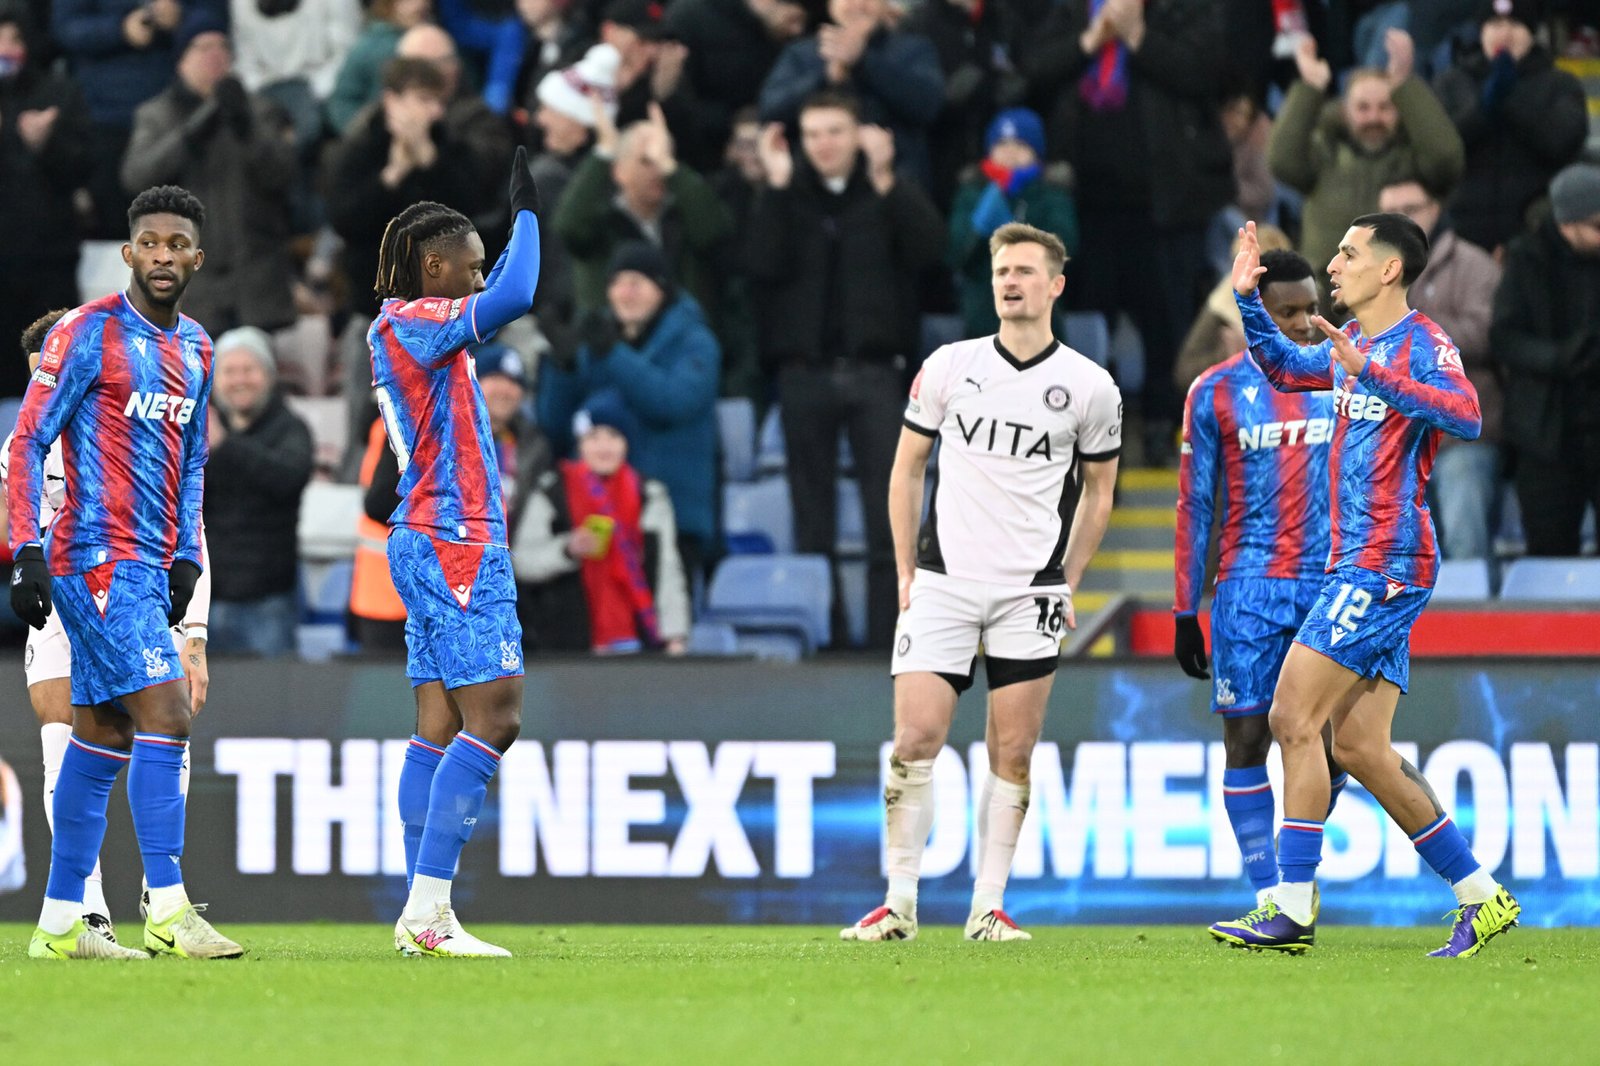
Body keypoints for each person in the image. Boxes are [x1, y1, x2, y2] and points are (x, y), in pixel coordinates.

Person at [1210, 216, 1519, 957]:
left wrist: (1373, 372)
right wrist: (1249, 299)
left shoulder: (1420, 342)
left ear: (1388, 270)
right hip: (1362, 563)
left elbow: (1468, 414)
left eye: (1348, 253)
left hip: (1384, 562)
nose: (1334, 263)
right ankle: (1483, 897)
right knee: (1359, 748)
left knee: (1292, 715)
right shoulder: (1357, 349)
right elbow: (1284, 368)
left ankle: (1291, 905)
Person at [841, 222, 1121, 942]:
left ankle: (986, 908)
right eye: (1002, 271)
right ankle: (898, 903)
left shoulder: (1090, 386)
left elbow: (1099, 491)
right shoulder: (948, 366)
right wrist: (907, 567)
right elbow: (906, 469)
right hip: (944, 580)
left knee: (1015, 750)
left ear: (1056, 285)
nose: (1010, 282)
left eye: (1026, 271)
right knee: (914, 737)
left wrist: (1069, 577)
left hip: (1029, 590)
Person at [9, 184, 241, 960]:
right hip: (93, 558)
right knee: (167, 714)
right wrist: (25, 550)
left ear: (197, 258)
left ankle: (59, 923)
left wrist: (184, 556)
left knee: (102, 735)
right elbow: (26, 443)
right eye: (151, 243)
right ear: (129, 251)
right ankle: (170, 908)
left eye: (178, 245)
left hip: (149, 565)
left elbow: (193, 463)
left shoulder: (200, 348)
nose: (164, 256)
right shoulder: (85, 333)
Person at [367, 148, 542, 957]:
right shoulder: (412, 321)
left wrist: (502, 238)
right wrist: (529, 216)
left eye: (479, 269)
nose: (478, 284)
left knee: (437, 723)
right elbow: (519, 292)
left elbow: (497, 286)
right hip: (454, 538)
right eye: (466, 270)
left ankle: (420, 913)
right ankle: (429, 913)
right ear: (431, 266)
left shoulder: (415, 328)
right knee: (495, 716)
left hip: (431, 536)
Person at [1172, 249, 1350, 910]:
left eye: (1312, 308)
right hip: (1248, 587)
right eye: (1288, 312)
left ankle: (1295, 871)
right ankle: (1272, 892)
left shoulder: (1343, 377)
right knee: (1247, 738)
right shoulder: (1214, 390)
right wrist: (1184, 608)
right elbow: (1194, 504)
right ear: (1257, 315)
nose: (1305, 323)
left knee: (1334, 753)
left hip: (1332, 582)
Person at [746, 91, 944, 648]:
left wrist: (889, 182)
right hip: (803, 376)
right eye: (812, 134)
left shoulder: (884, 193)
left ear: (859, 135)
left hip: (878, 374)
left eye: (835, 131)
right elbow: (758, 263)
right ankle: (825, 641)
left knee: (890, 519)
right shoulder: (789, 198)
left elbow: (933, 254)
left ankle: (889, 641)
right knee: (813, 522)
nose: (823, 145)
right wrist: (779, 188)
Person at [1018, 0, 1234, 465]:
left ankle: (1162, 425)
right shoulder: (1070, 11)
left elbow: (1209, 74)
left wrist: (1140, 38)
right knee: (1088, 324)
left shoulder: (1180, 11)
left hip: (1165, 205)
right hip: (1082, 206)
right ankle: (1093, 435)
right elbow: (1031, 72)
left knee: (1167, 321)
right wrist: (1087, 44)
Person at [538, 240, 721, 584]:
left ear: (663, 289)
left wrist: (613, 353)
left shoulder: (695, 342)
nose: (625, 293)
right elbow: (556, 427)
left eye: (637, 283)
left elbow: (671, 403)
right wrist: (561, 367)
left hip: (672, 519)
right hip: (598, 519)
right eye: (617, 283)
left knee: (660, 632)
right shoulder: (597, 341)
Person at [121, 19, 300, 336]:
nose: (216, 55)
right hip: (190, 284)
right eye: (204, 47)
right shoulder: (157, 115)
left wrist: (246, 127)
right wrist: (192, 131)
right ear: (181, 60)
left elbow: (282, 174)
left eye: (223, 47)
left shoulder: (261, 112)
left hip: (256, 279)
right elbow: (137, 176)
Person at [1267, 30, 1464, 305]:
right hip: (1326, 301)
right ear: (1345, 111)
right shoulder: (1325, 154)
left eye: (1385, 107)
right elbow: (1281, 160)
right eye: (1363, 108)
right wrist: (1309, 89)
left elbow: (1447, 160)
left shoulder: (1414, 159)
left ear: (1399, 110)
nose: (1374, 117)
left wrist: (1405, 86)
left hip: (1394, 298)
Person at [1377, 178, 1503, 561]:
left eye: (1410, 210)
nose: (1399, 222)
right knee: (1393, 558)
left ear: (1436, 209)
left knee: (1466, 549)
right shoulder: (1366, 274)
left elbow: (1486, 336)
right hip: (1392, 439)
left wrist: (1413, 333)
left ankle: (1477, 622)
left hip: (1457, 437)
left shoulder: (1472, 264)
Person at [513, 391, 690, 653]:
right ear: (580, 444)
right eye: (594, 437)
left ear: (627, 443)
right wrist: (567, 549)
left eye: (614, 436)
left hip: (636, 641)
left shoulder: (649, 495)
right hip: (566, 645)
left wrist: (675, 634)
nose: (604, 447)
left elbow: (667, 569)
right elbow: (520, 562)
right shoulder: (551, 492)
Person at [1490, 162, 1600, 557]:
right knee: (1550, 553)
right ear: (1568, 222)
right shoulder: (1526, 260)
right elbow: (1503, 339)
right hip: (1545, 436)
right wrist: (1559, 358)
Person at [552, 99, 734, 325]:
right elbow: (568, 226)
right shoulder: (600, 221)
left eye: (664, 158)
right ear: (619, 171)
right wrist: (604, 152)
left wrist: (671, 168)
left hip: (681, 345)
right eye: (646, 161)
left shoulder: (686, 211)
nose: (657, 170)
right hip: (611, 348)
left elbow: (714, 233)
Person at [1432, 0, 1588, 254]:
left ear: (1531, 32)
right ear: (1481, 30)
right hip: (1463, 231)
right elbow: (1440, 149)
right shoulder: (1451, 83)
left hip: (1533, 233)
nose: (1504, 33)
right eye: (1494, 24)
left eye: (1515, 24)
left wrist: (1511, 97)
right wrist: (1484, 107)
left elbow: (1562, 142)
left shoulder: (1560, 85)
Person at [0, 1, 93, 399]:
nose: (6, 46)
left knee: (53, 378)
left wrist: (42, 147)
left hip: (47, 263)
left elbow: (83, 168)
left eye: (15, 37)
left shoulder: (56, 92)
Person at [203, 326, 314, 656]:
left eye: (249, 370)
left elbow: (289, 478)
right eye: (230, 371)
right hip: (205, 599)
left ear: (269, 375)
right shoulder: (197, 430)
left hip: (269, 602)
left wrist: (227, 445)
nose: (240, 380)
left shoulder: (291, 429)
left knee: (273, 703)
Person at [758, 0, 944, 190]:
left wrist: (863, 61)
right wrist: (825, 77)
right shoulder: (801, 54)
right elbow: (770, 112)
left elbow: (928, 107)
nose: (858, 4)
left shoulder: (913, 49)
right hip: (813, 190)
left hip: (894, 187)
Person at [946, 107, 1078, 339]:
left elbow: (1065, 247)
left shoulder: (1051, 194)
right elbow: (955, 255)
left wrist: (1020, 236)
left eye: (1020, 145)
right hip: (983, 327)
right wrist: (977, 230)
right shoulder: (971, 192)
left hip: (1041, 330)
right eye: (1002, 144)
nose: (1010, 153)